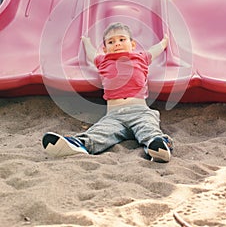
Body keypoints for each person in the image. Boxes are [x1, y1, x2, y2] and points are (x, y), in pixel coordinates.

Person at [42, 22, 173, 162]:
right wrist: (87, 42)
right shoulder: (103, 60)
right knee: (100, 132)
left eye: (122, 39)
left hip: (140, 112)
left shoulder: (140, 57)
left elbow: (155, 50)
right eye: (111, 42)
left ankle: (157, 145)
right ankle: (79, 144)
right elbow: (91, 54)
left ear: (132, 44)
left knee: (148, 128)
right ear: (104, 49)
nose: (117, 44)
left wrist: (164, 42)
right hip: (114, 116)